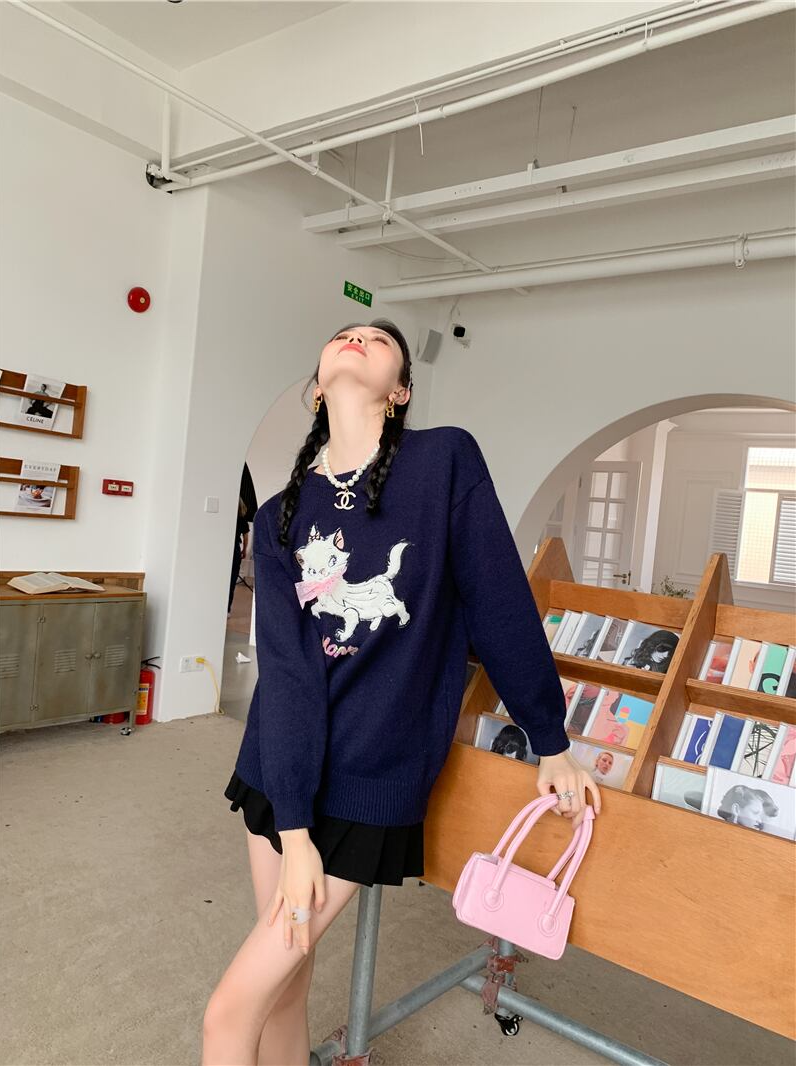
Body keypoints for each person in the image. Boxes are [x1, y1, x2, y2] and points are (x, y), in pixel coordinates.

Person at [205, 318, 601, 1065]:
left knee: (227, 1013)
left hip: (370, 776)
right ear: (316, 387)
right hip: (277, 770)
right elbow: (287, 673)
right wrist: (294, 828)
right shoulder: (281, 512)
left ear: (401, 392)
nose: (359, 338)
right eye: (344, 334)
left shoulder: (442, 460)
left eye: (380, 340)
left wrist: (549, 738)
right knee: (283, 987)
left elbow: (498, 600)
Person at [228, 497, 250, 615]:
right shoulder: (242, 520)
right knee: (232, 581)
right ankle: (227, 609)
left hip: (225, 548)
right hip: (235, 550)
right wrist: (244, 550)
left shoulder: (227, 518)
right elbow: (246, 537)